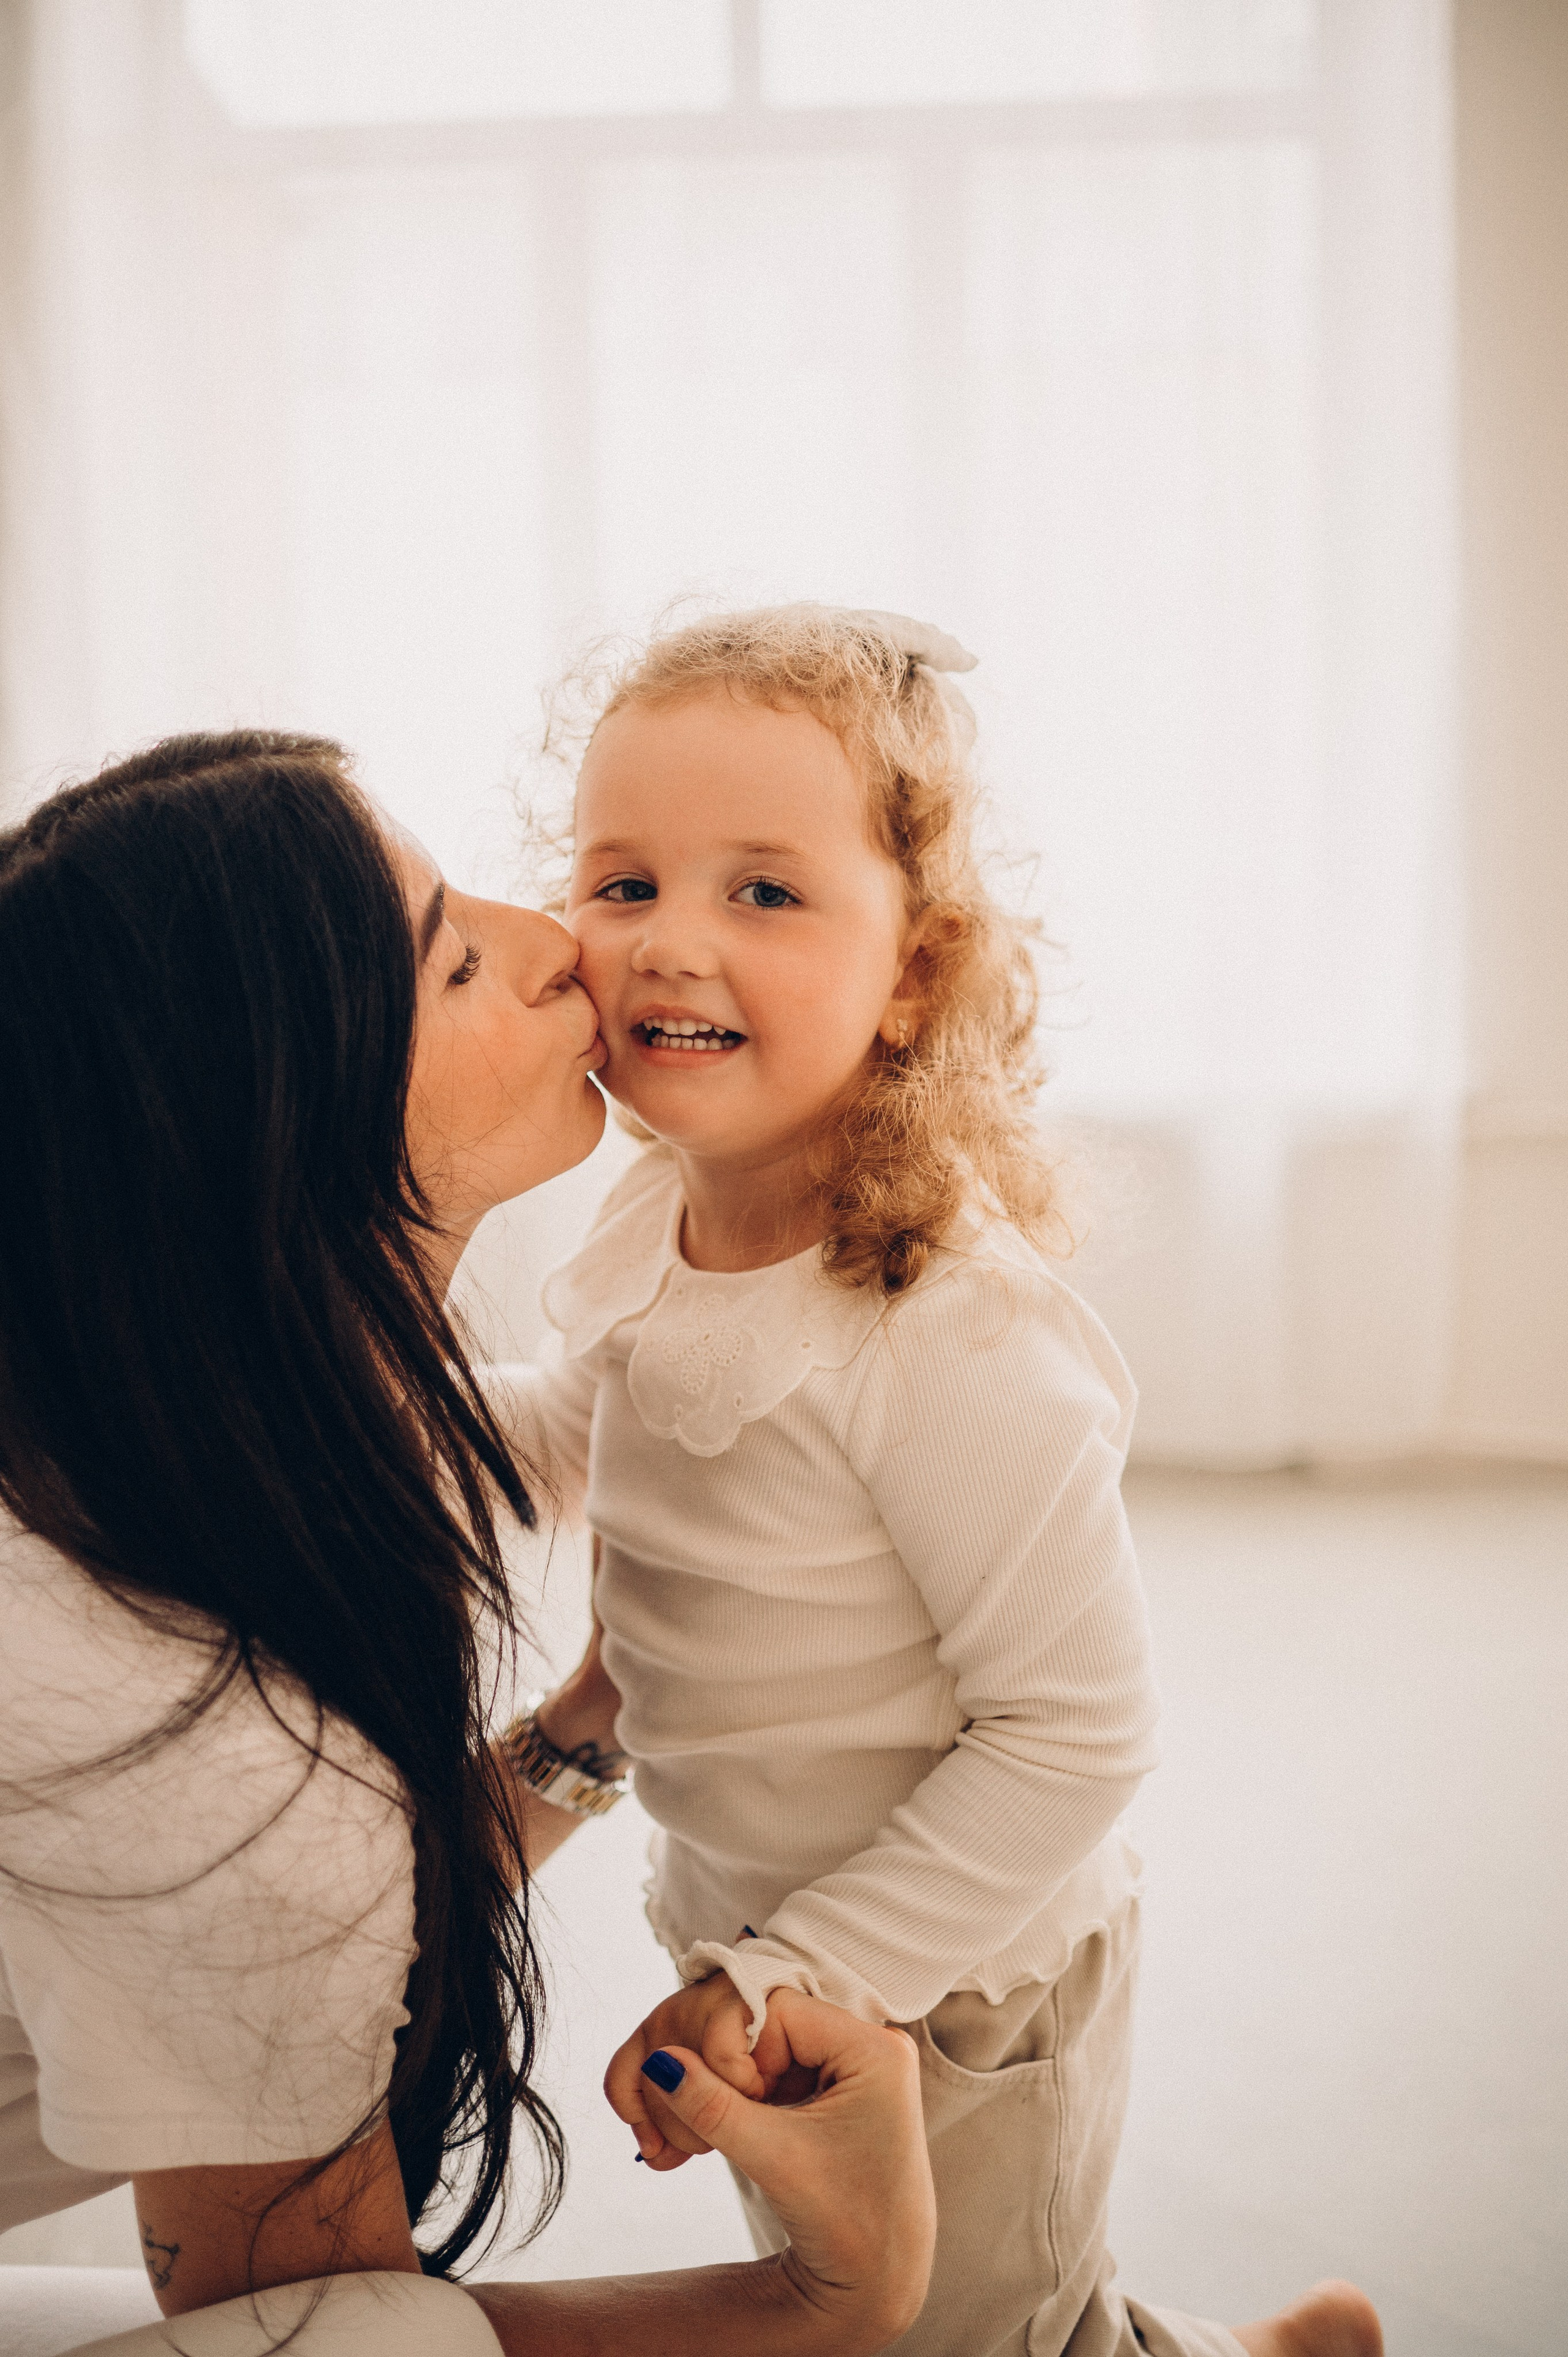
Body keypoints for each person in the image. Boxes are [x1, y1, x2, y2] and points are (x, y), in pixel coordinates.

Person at [496, 606, 1385, 2357]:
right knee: (919, 2319)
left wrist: (807, 1974)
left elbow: (1074, 1732)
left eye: (763, 892)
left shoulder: (948, 1327)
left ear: (914, 965)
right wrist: (403, 1414)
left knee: (981, 2335)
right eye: (621, 883)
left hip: (953, 1979)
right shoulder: (647, 1210)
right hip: (757, 1923)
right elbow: (592, 1437)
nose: (671, 941)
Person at [0, 730, 935, 2357]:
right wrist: (830, 2294)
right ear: (281, 1133)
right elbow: (299, 2313)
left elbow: (314, 1915)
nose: (556, 937)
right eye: (447, 956)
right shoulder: (202, 1729)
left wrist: (593, 1718)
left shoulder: (145, 1417)